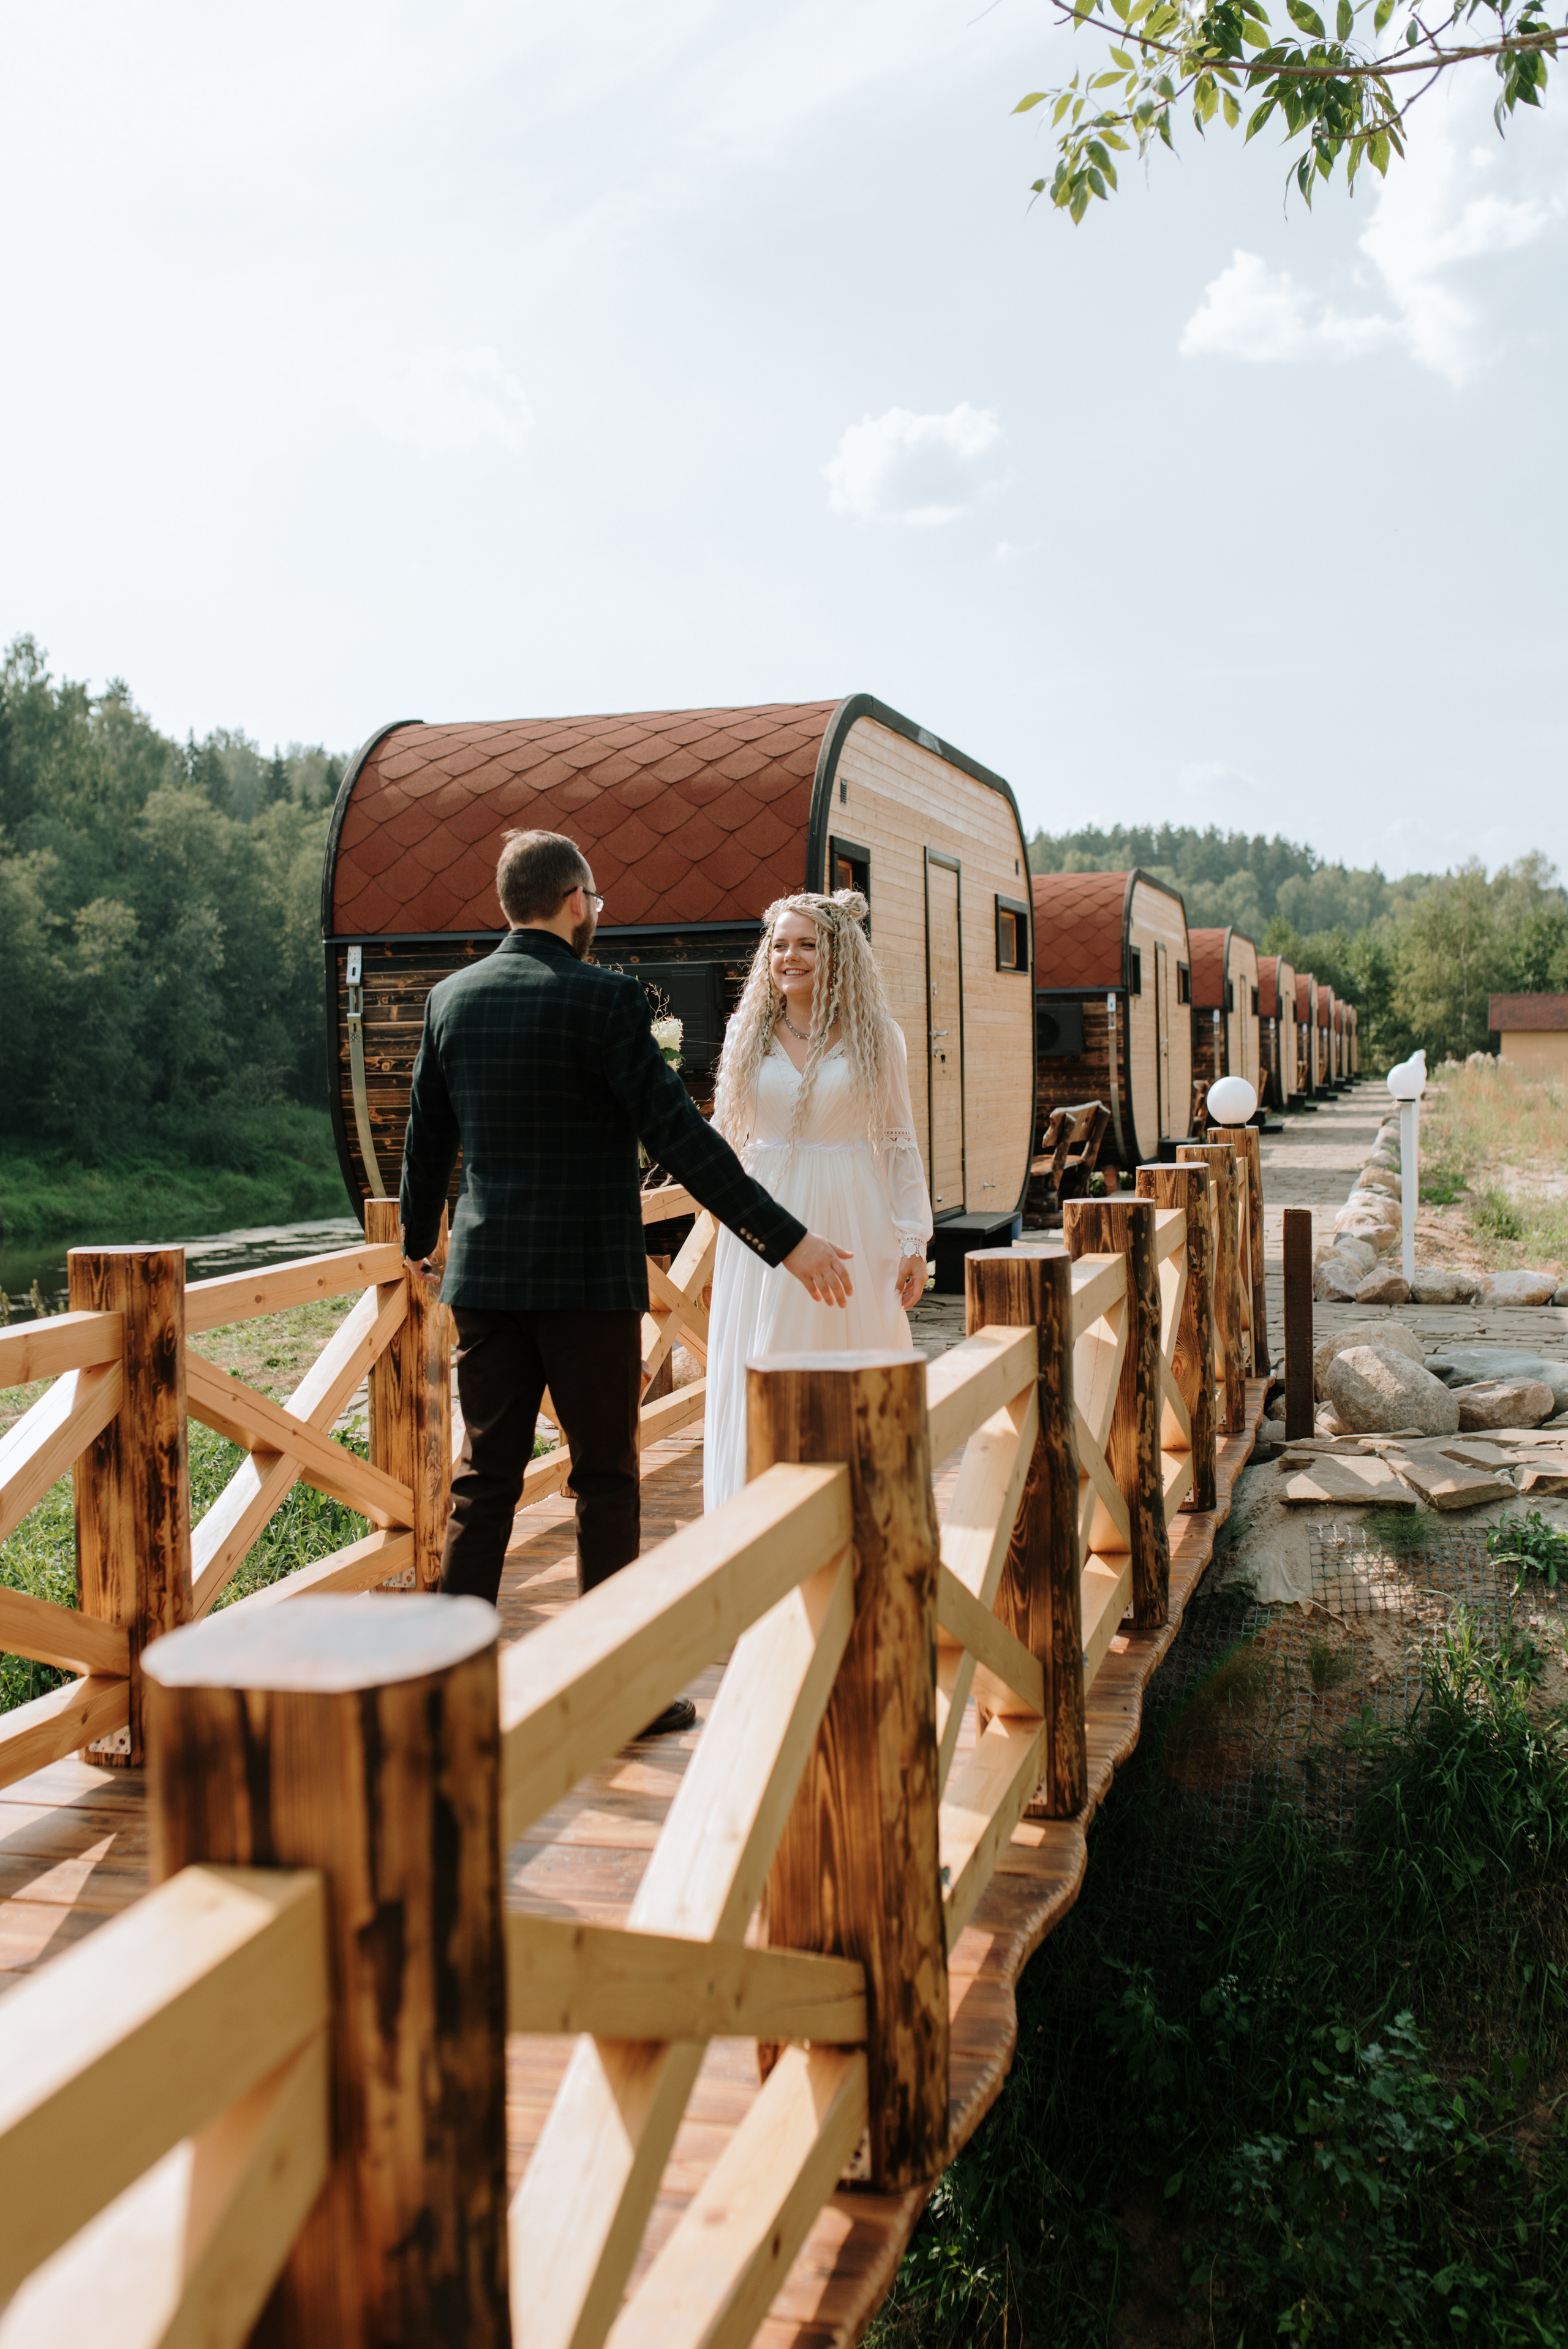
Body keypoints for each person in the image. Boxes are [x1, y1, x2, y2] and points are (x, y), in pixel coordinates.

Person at [398, 828, 853, 1733]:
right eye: (597, 901)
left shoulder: (452, 999)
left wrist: (417, 1243)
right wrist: (787, 1238)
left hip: (485, 1278)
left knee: (484, 1478)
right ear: (575, 901)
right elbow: (682, 1138)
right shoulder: (606, 1000)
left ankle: (446, 1689)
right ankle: (621, 1692)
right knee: (604, 1476)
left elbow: (426, 1141)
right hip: (588, 1282)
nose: (599, 915)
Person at [702, 888, 933, 1512]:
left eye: (806, 944)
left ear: (837, 953)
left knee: (852, 1357)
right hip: (765, 1215)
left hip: (852, 1211)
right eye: (779, 945)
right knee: (767, 1351)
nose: (790, 957)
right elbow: (723, 1145)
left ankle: (865, 1507)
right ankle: (760, 1511)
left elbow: (899, 1142)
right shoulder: (745, 1033)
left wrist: (913, 1239)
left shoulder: (876, 1037)